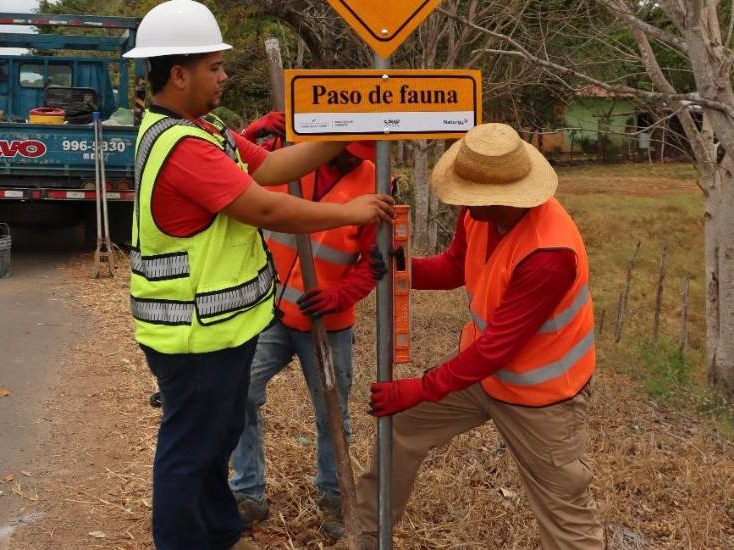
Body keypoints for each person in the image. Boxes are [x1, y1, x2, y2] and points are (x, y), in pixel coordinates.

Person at [122, 2, 394, 549]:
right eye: (214, 67)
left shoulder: (205, 129)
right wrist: (352, 211)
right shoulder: (185, 148)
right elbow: (266, 207)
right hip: (195, 335)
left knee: (215, 440)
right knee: (191, 452)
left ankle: (220, 531)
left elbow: (271, 166)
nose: (224, 76)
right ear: (179, 74)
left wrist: (350, 128)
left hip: (222, 329)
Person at [358, 123, 604, 549]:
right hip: (482, 377)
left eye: (471, 196)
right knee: (398, 430)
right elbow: (455, 266)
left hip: (542, 399)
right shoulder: (478, 213)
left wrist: (419, 388)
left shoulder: (549, 254)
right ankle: (366, 538)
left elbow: (497, 348)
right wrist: (403, 268)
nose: (464, 204)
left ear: (504, 195)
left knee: (566, 514)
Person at [230, 112, 384, 540]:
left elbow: (376, 265)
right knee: (240, 392)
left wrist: (338, 296)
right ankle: (248, 493)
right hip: (267, 314)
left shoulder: (378, 181)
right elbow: (233, 167)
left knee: (332, 413)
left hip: (327, 323)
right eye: (342, 155)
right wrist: (257, 129)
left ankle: (335, 498)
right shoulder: (288, 160)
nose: (347, 163)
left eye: (354, 158)